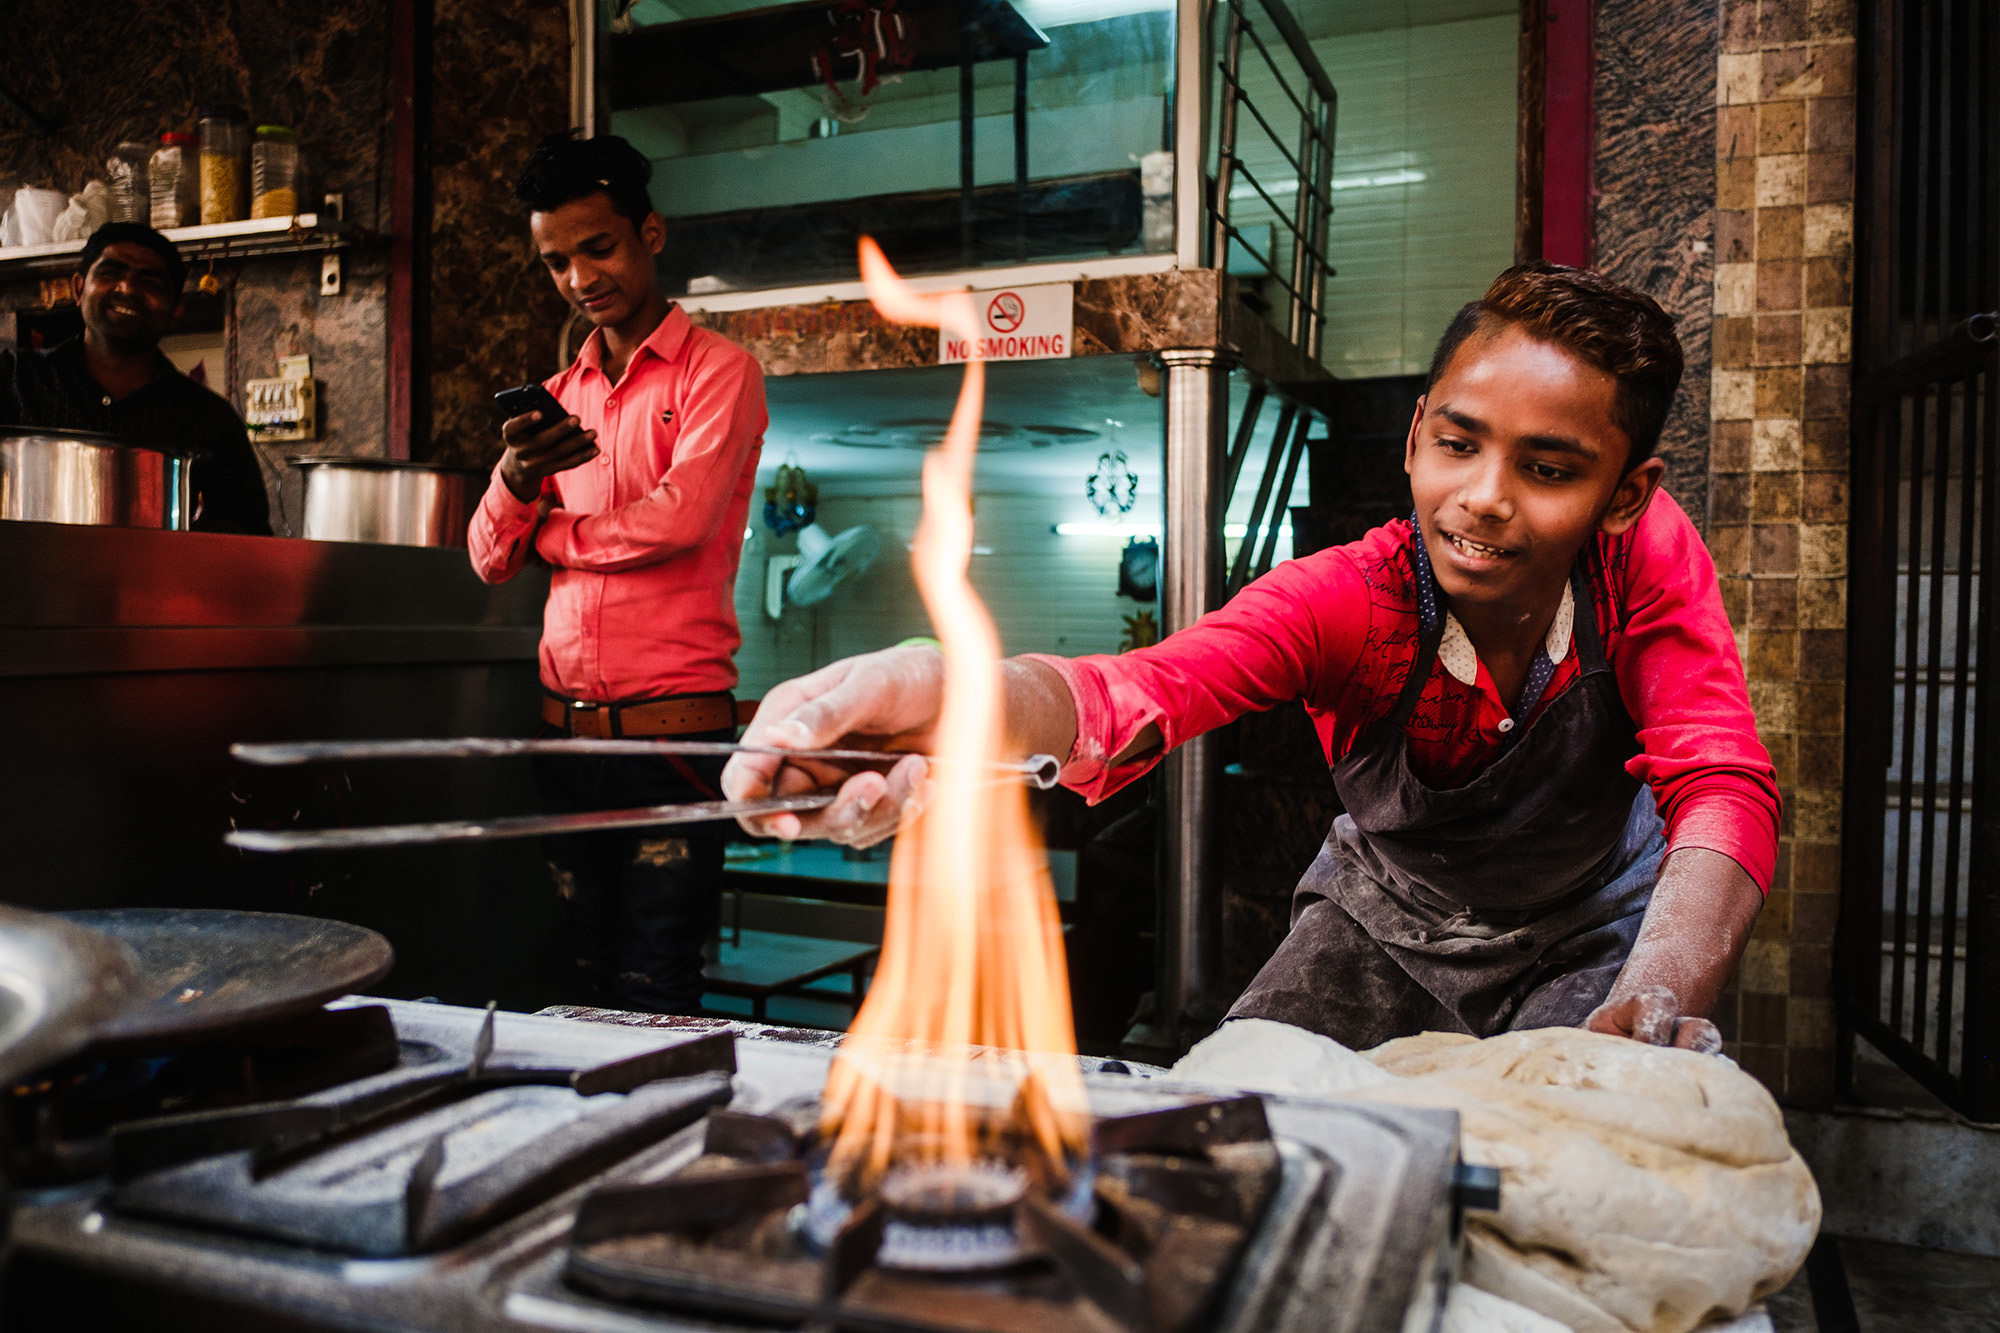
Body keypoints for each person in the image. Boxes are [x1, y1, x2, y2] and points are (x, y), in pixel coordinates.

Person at [722, 263, 1779, 1053]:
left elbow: (1720, 776)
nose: (1484, 495)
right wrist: (940, 693)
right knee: (1254, 1122)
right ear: (1413, 436)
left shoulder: (1641, 555)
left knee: (1571, 1171)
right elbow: (1139, 689)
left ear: (1622, 495)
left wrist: (1656, 989)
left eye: (1546, 467)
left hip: (1597, 919)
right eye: (1457, 443)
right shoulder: (1347, 599)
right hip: (1384, 915)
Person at [468, 132, 767, 1015]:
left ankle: (666, 1150)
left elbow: (681, 518)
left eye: (598, 248)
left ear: (651, 234)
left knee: (658, 980)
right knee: (579, 977)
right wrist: (518, 479)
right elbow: (488, 557)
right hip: (564, 737)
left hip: (671, 740)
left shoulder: (720, 372)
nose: (579, 278)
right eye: (557, 262)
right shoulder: (558, 396)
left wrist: (550, 535)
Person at [0, 222, 270, 533]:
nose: (127, 288)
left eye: (151, 283)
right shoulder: (14, 379)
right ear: (77, 289)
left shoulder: (210, 418)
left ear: (176, 311)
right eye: (110, 273)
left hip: (154, 581)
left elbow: (248, 538)